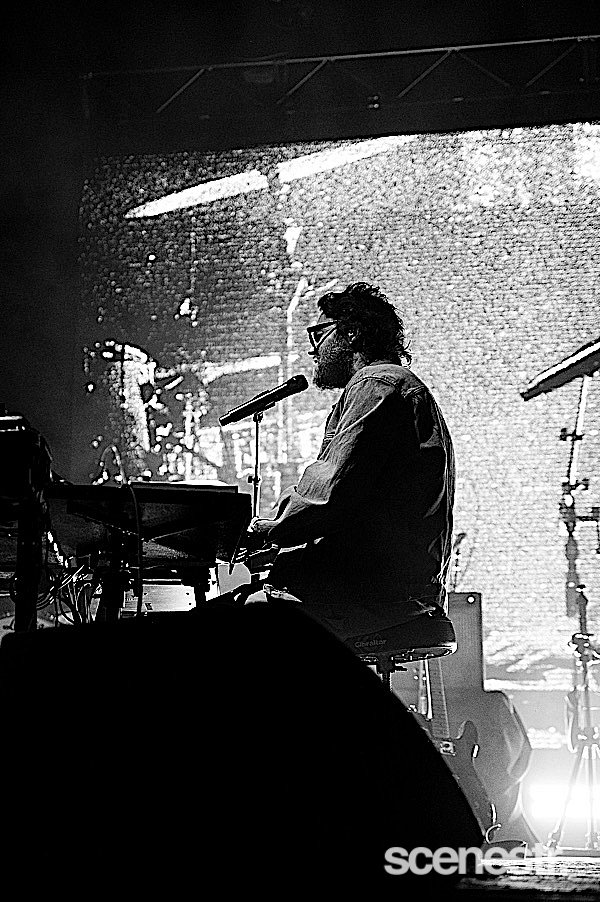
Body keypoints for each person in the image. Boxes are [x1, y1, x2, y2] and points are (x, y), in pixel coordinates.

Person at [244, 281, 455, 643]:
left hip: (368, 595)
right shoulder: (397, 387)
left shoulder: (376, 384)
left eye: (318, 335)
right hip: (398, 589)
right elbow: (357, 504)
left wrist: (268, 530)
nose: (313, 350)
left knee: (216, 627)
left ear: (351, 333)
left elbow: (332, 493)